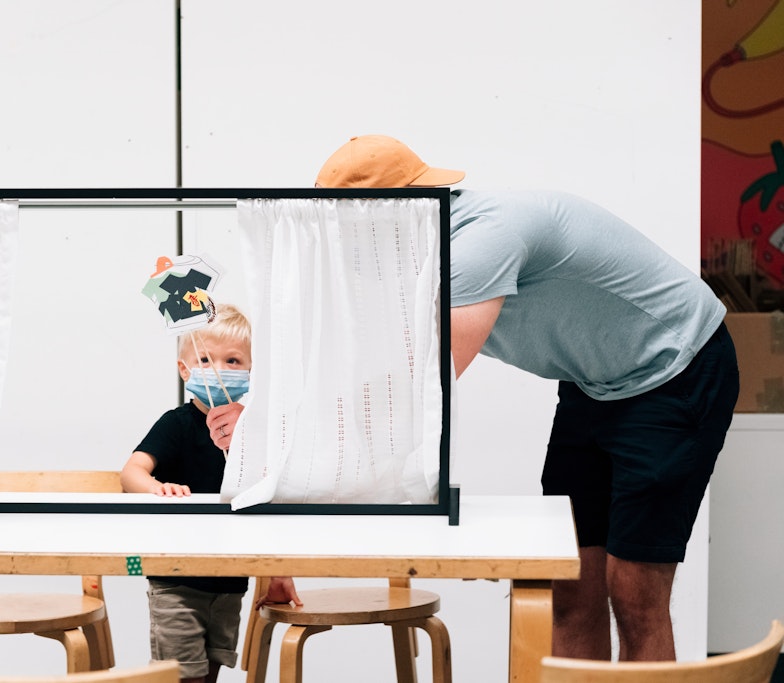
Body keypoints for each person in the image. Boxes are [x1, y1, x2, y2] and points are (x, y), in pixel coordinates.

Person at [315, 134, 739, 662]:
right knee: (568, 584)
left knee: (634, 593)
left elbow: (429, 384)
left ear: (399, 210)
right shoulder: (419, 250)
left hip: (677, 368)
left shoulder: (479, 241)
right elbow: (374, 360)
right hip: (594, 384)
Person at [121, 303, 300, 683]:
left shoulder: (255, 436)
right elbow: (130, 473)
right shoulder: (176, 425)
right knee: (184, 676)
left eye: (234, 360)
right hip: (174, 580)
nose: (219, 369)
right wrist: (157, 487)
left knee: (212, 670)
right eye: (206, 358)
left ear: (254, 372)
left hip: (231, 583)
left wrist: (277, 570)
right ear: (185, 369)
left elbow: (267, 504)